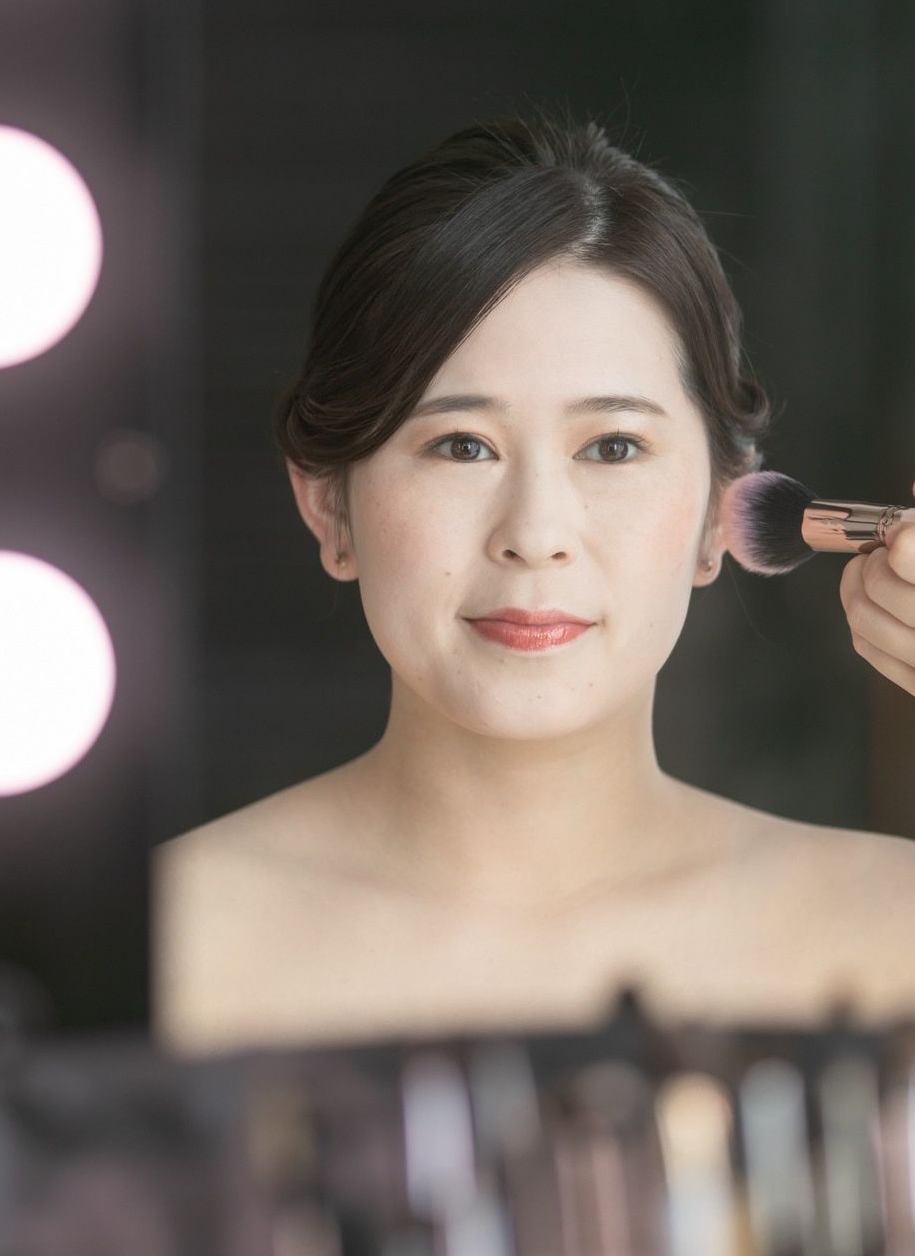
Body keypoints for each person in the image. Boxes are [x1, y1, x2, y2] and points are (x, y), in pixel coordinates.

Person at [153, 107, 915, 1054]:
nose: (535, 535)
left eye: (613, 447)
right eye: (462, 445)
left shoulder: (892, 934)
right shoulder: (161, 953)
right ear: (328, 505)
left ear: (723, 513)